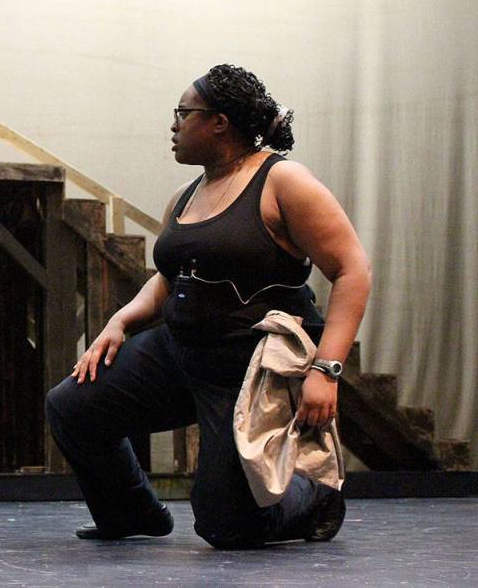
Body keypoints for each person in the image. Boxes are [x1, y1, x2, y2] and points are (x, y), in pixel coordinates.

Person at [46, 64, 371, 549]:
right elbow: (170, 275)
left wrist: (326, 369)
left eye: (183, 113)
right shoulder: (186, 194)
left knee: (226, 525)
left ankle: (316, 497)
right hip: (179, 352)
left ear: (218, 123)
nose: (174, 125)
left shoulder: (283, 181)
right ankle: (132, 512)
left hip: (247, 367)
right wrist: (121, 319)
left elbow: (352, 271)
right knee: (73, 405)